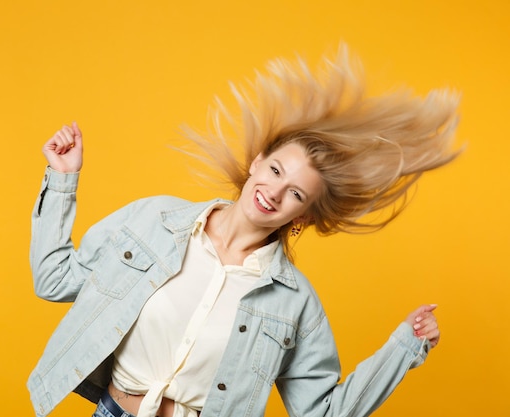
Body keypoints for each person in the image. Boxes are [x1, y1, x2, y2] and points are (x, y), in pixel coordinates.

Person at [27, 46, 459, 417]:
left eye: (294, 193)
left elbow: (322, 411)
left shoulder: (294, 303)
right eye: (274, 170)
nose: (272, 192)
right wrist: (63, 179)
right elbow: (55, 279)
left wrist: (404, 348)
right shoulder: (154, 222)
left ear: (303, 217)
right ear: (256, 161)